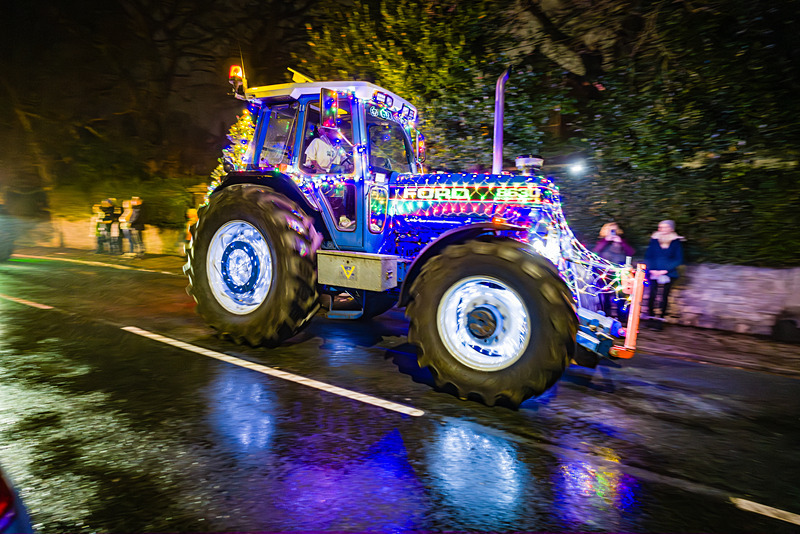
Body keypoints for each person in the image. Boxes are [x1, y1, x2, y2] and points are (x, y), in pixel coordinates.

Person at [644, 220, 684, 329]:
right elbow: (649, 256)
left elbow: (678, 259)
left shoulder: (675, 241)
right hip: (653, 272)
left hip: (668, 273)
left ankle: (660, 320)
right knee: (652, 295)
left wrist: (665, 270)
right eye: (660, 227)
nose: (662, 229)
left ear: (671, 228)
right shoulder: (654, 240)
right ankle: (650, 317)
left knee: (664, 296)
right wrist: (652, 269)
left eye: (665, 227)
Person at [593, 222, 635, 318]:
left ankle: (622, 318)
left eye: (615, 229)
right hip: (605, 273)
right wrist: (606, 240)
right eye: (610, 230)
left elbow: (630, 252)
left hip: (620, 274)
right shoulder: (602, 241)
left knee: (620, 296)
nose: (613, 232)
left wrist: (621, 242)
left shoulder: (622, 240)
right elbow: (595, 252)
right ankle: (605, 316)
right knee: (605, 297)